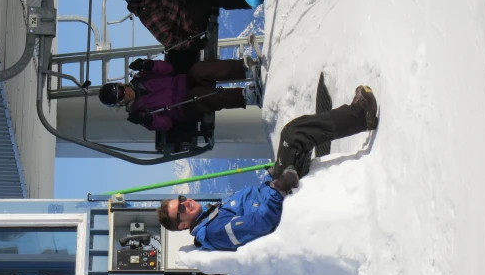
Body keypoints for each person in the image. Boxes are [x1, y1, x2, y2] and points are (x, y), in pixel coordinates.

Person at [155, 86, 380, 250]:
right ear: (183, 224)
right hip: (284, 200)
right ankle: (361, 114)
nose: (186, 203)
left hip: (279, 191)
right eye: (181, 209)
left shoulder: (212, 216)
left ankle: (357, 115)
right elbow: (260, 223)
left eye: (182, 199)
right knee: (293, 136)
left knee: (293, 135)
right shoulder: (214, 232)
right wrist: (278, 188)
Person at [97, 58, 261, 132]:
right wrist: (148, 119)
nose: (124, 92)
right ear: (119, 103)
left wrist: (149, 65)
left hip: (184, 82)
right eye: (120, 96)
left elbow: (167, 69)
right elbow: (166, 124)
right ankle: (246, 96)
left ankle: (244, 68)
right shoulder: (138, 113)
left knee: (198, 70)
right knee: (197, 96)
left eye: (120, 88)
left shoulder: (141, 77)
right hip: (183, 107)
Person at [117, 0, 253, 51]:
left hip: (185, 0)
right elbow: (170, 42)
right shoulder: (150, 17)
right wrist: (192, 44)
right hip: (189, 23)